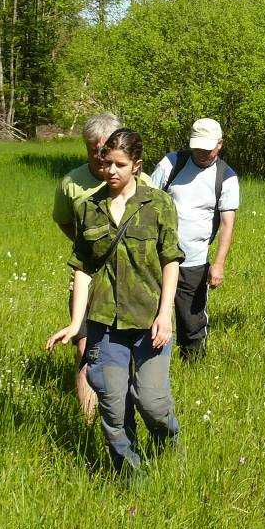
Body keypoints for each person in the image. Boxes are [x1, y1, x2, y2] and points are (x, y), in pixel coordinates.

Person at [45, 129, 184, 473]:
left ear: (137, 165)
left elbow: (171, 261)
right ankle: (129, 473)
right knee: (112, 405)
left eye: (120, 165)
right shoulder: (89, 207)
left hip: (150, 320)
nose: (111, 171)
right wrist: (77, 323)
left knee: (152, 403)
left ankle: (168, 446)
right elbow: (82, 267)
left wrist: (165, 315)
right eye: (107, 163)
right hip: (105, 324)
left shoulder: (158, 204)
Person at [51, 112, 154, 418]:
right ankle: (87, 420)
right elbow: (65, 222)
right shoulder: (71, 183)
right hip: (89, 278)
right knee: (86, 349)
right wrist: (94, 250)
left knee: (132, 352)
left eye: (102, 149)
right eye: (90, 149)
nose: (97, 157)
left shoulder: (143, 183)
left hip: (134, 284)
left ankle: (127, 411)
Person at [150, 118, 240, 362]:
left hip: (195, 261)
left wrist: (219, 263)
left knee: (192, 321)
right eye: (197, 147)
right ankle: (152, 364)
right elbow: (146, 201)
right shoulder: (171, 164)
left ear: (220, 145)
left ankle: (193, 366)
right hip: (156, 258)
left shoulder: (226, 177)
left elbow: (227, 224)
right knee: (149, 314)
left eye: (208, 148)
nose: (202, 153)